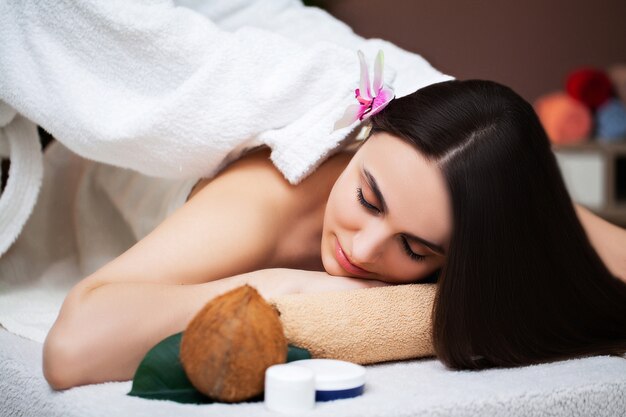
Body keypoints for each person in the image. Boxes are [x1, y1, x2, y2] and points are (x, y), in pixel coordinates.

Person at [42, 79, 626, 390]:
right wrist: (283, 287)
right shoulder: (264, 205)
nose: (364, 250)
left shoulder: (487, 178)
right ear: (365, 135)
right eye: (368, 198)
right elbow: (70, 350)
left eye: (415, 249)